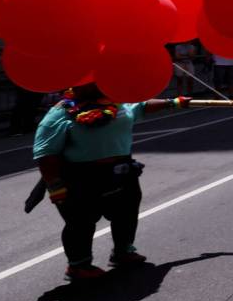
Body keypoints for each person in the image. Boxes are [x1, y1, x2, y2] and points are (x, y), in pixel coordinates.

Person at [32, 84, 188, 281]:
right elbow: (45, 154)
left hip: (121, 172)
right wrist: (54, 186)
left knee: (127, 214)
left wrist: (172, 102)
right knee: (80, 223)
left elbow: (140, 107)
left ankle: (123, 252)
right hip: (80, 178)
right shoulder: (60, 113)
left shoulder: (117, 103)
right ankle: (79, 265)